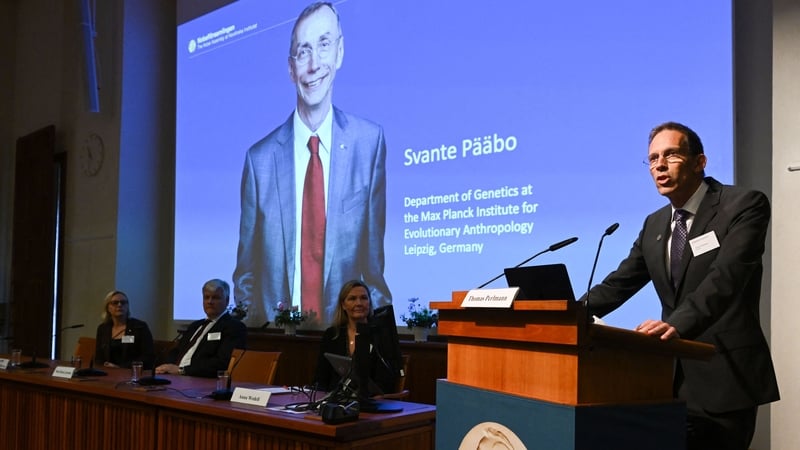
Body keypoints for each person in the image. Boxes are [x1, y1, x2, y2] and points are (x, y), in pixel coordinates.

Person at [582, 121, 779, 450]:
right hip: (668, 380)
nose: (659, 164)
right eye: (653, 158)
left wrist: (674, 325)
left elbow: (726, 278)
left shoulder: (743, 205)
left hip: (724, 373)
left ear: (699, 161)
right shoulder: (655, 223)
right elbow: (619, 283)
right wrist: (568, 314)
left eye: (671, 155)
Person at [233, 1, 391, 327]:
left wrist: (376, 333)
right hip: (278, 338)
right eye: (304, 51)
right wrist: (256, 327)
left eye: (323, 45)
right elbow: (246, 269)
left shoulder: (368, 143)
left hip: (344, 336)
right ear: (291, 68)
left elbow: (374, 266)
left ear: (340, 52)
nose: (314, 63)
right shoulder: (259, 158)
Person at [313, 280, 399, 395]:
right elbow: (321, 376)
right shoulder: (332, 334)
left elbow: (386, 381)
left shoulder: (380, 335)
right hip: (335, 401)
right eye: (352, 299)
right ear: (343, 305)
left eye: (364, 298)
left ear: (369, 302)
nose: (359, 303)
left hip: (371, 402)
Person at [156, 279, 247, 378]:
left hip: (200, 379)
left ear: (227, 300)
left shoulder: (234, 327)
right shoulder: (195, 326)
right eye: (206, 297)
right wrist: (166, 367)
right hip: (175, 377)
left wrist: (182, 370)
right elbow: (177, 352)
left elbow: (223, 363)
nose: (210, 302)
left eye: (215, 298)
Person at [94, 290, 155, 369]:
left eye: (123, 302)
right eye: (115, 303)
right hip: (107, 372)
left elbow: (148, 356)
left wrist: (120, 368)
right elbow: (99, 357)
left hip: (131, 373)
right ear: (108, 308)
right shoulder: (103, 328)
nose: (119, 305)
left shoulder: (139, 327)